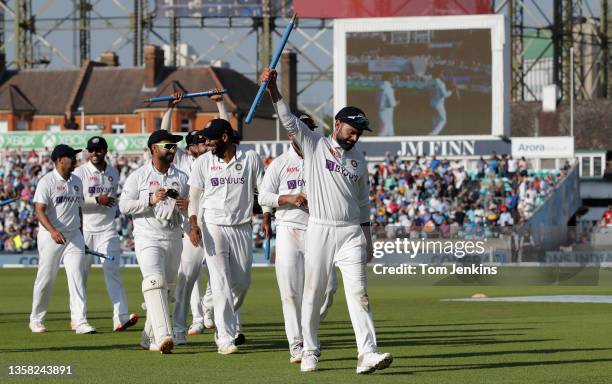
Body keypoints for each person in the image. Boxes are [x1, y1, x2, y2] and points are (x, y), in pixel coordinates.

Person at [261, 68, 393, 374]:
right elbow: (288, 120)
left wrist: (368, 239)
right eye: (352, 130)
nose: (355, 136)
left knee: (359, 294)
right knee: (313, 292)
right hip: (319, 229)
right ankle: (309, 350)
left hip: (351, 235)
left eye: (359, 132)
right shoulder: (315, 144)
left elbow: (362, 204)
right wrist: (273, 90)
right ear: (337, 124)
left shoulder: (360, 160)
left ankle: (367, 353)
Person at [259, 113, 338, 364]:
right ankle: (297, 344)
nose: (306, 133)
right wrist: (288, 198)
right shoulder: (280, 163)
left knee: (328, 288)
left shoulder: (325, 158)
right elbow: (263, 197)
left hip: (319, 229)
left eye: (310, 128)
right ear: (292, 133)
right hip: (289, 228)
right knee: (290, 291)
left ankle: (308, 325)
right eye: (301, 129)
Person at [188, 118, 271, 355]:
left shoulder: (250, 157)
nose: (207, 144)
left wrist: (266, 216)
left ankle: (214, 311)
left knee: (242, 283)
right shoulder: (203, 162)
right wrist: (194, 223)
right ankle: (224, 337)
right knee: (220, 281)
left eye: (211, 139)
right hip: (213, 225)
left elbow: (262, 189)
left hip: (242, 226)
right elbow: (194, 196)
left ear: (225, 138)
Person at [119, 130, 189, 354]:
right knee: (154, 282)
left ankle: (147, 337)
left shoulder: (182, 177)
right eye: (168, 145)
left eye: (175, 146)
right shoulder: (138, 176)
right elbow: (124, 206)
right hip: (148, 237)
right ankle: (164, 337)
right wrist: (150, 199)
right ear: (154, 149)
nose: (173, 149)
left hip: (173, 237)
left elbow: (190, 208)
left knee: (165, 289)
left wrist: (185, 206)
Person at [161, 91, 223, 344]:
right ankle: (181, 326)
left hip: (219, 224)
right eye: (198, 143)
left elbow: (225, 129)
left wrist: (219, 104)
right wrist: (169, 109)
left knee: (224, 278)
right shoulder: (185, 163)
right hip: (192, 227)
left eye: (205, 142)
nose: (203, 146)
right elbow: (162, 137)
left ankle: (210, 314)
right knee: (187, 279)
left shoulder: (216, 159)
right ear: (190, 148)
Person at [29, 144, 95, 334]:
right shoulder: (46, 181)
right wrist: (52, 231)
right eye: (70, 157)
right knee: (46, 278)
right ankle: (36, 319)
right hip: (51, 237)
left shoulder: (76, 181)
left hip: (73, 236)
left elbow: (78, 209)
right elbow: (39, 210)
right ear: (59, 160)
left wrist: (81, 234)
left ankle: (80, 321)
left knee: (77, 277)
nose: (75, 160)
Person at [74, 136, 138, 332]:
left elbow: (112, 200)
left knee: (112, 271)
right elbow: (75, 200)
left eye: (98, 150)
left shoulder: (113, 172)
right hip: (84, 230)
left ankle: (121, 318)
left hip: (108, 230)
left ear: (105, 151)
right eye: (91, 150)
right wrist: (96, 200)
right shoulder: (80, 172)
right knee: (80, 275)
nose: (94, 154)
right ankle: (79, 320)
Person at [429, 69, 453, 135]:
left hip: (432, 101)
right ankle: (433, 134)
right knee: (443, 120)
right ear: (439, 74)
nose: (444, 76)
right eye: (442, 74)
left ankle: (433, 132)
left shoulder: (431, 81)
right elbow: (445, 95)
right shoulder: (441, 83)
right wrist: (451, 91)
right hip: (438, 102)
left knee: (435, 117)